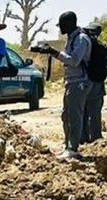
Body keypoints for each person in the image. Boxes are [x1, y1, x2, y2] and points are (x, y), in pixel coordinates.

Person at [35, 11, 92, 159]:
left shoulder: (81, 39)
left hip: (79, 82)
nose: (60, 28)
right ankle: (68, 146)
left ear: (69, 24)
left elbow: (74, 61)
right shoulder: (71, 39)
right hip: (71, 82)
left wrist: (54, 52)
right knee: (66, 115)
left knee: (74, 116)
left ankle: (73, 148)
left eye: (61, 25)